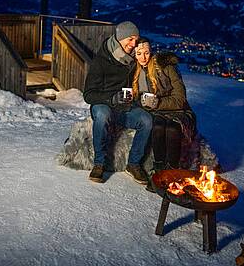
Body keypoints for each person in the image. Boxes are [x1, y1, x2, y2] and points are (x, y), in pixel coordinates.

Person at [83, 22, 153, 184]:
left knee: (146, 120)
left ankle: (134, 164)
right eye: (130, 39)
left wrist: (138, 98)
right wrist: (111, 98)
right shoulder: (101, 61)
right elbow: (88, 95)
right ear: (119, 38)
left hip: (123, 107)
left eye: (135, 40)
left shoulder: (132, 59)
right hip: (103, 104)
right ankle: (99, 163)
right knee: (102, 114)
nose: (133, 44)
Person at [132, 37, 196, 172]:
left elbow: (180, 99)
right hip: (156, 111)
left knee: (173, 129)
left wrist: (158, 103)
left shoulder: (165, 66)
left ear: (151, 51)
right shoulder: (135, 71)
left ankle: (173, 171)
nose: (143, 57)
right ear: (134, 54)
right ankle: (159, 170)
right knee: (158, 127)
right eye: (139, 53)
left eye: (147, 53)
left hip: (178, 110)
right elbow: (137, 98)